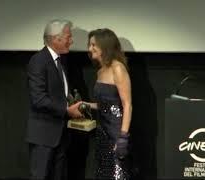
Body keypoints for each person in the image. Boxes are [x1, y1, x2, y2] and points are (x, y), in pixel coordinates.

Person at [25, 19, 83, 180]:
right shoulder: (38, 61)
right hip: (43, 135)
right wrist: (66, 110)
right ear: (56, 39)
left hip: (61, 134)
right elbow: (38, 99)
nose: (71, 41)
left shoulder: (61, 60)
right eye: (68, 37)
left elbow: (61, 93)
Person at [83, 28, 133, 179]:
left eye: (94, 45)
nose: (90, 49)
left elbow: (127, 104)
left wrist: (123, 137)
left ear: (105, 46)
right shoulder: (100, 70)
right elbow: (105, 105)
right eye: (89, 45)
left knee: (118, 174)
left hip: (116, 132)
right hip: (102, 133)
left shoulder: (117, 68)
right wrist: (86, 104)